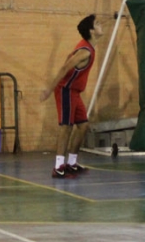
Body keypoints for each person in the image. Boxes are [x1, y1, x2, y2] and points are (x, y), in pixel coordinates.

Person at [40, 14, 103, 178]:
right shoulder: (84, 52)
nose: (101, 25)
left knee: (83, 126)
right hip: (65, 90)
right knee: (66, 127)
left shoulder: (89, 47)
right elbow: (64, 68)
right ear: (91, 31)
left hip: (75, 92)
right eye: (97, 23)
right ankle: (58, 167)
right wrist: (49, 90)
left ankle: (72, 163)